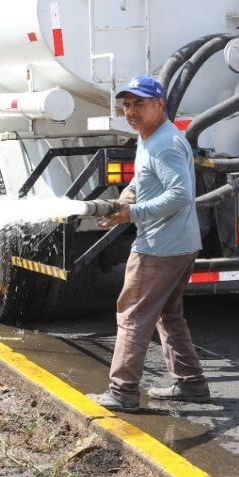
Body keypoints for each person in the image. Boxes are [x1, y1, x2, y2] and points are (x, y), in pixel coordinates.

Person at [87, 75, 210, 411]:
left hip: (159, 247)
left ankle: (122, 391)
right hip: (179, 243)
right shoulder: (150, 137)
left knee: (132, 315)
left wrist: (133, 213)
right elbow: (144, 181)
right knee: (168, 314)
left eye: (139, 103)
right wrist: (124, 199)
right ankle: (191, 383)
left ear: (159, 104)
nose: (131, 111)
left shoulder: (165, 143)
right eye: (127, 105)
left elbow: (180, 194)